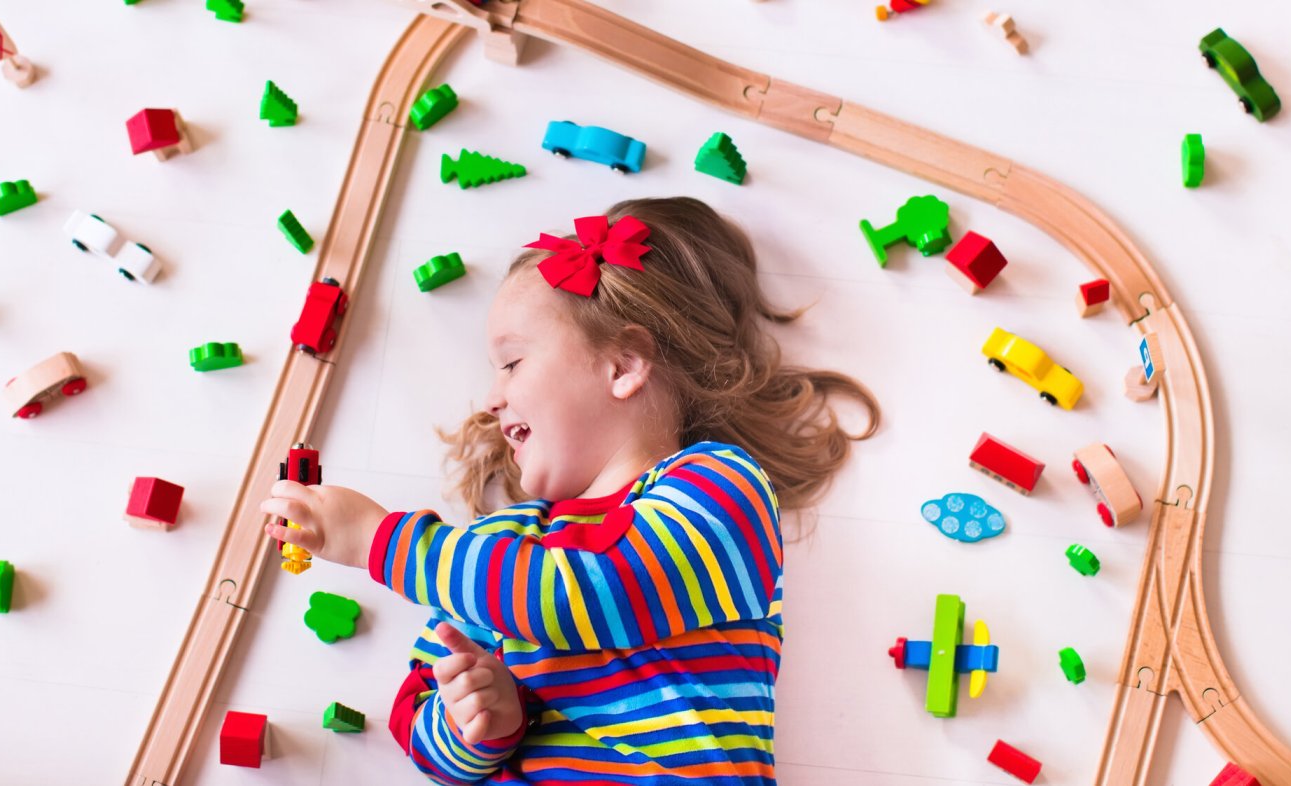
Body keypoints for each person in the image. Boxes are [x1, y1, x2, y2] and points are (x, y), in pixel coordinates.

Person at [260, 196, 879, 784]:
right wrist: (477, 725)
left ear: (623, 366)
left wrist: (379, 540)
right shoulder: (491, 548)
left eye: (511, 363)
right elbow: (421, 728)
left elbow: (586, 592)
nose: (492, 397)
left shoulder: (719, 488)